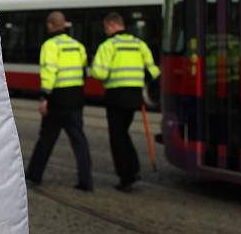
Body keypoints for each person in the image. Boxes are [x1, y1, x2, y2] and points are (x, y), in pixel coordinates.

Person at [91, 12, 159, 192]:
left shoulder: (108, 45)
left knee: (117, 136)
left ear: (113, 25)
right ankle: (133, 169)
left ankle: (126, 176)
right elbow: (153, 71)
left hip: (115, 96)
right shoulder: (140, 44)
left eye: (106, 28)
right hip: (135, 96)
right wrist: (140, 79)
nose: (106, 31)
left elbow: (99, 73)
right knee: (123, 133)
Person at [26, 11, 93, 191]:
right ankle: (86, 180)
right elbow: (84, 73)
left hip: (57, 99)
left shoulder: (50, 45)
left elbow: (49, 72)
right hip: (76, 98)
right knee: (79, 140)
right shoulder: (78, 45)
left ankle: (34, 175)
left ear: (50, 25)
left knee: (46, 139)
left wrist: (44, 97)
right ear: (64, 25)